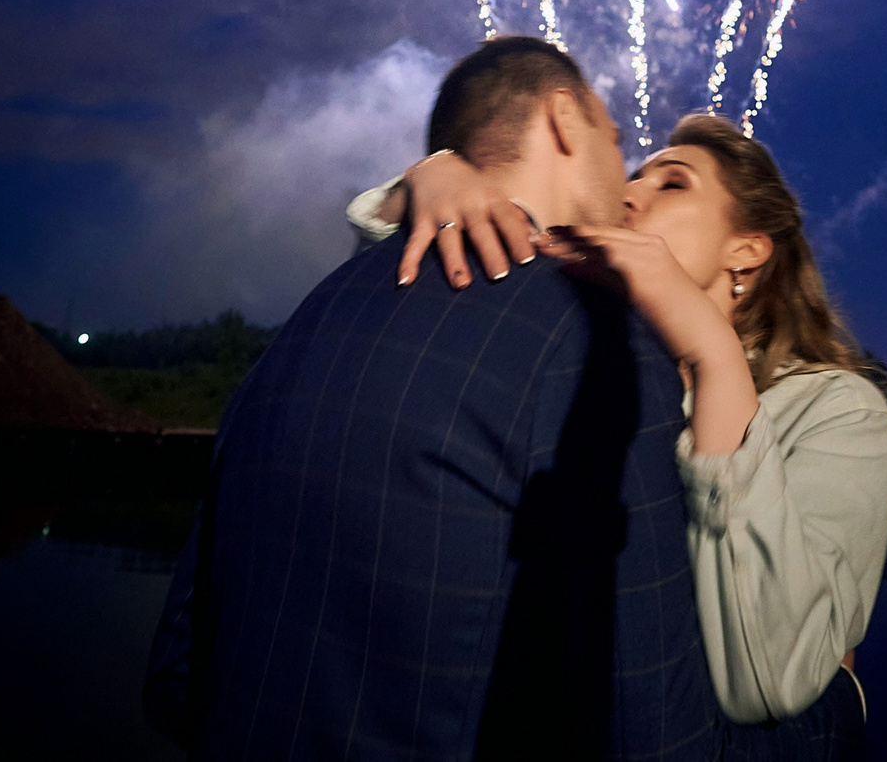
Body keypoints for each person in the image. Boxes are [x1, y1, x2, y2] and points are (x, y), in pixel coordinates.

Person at [145, 37, 720, 762]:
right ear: (566, 117)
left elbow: (174, 677)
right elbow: (654, 725)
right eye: (614, 139)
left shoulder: (307, 320)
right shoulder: (595, 337)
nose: (625, 175)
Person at [351, 113, 887, 758]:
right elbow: (426, 309)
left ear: (746, 250)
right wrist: (429, 177)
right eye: (633, 176)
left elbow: (768, 680)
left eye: (672, 184)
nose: (630, 193)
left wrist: (715, 358)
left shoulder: (838, 412)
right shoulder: (594, 360)